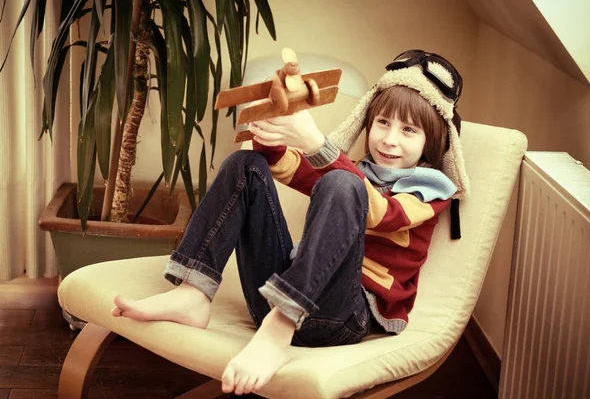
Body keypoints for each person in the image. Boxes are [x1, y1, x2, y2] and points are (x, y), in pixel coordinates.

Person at [111, 49, 470, 396]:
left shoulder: (431, 191)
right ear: (368, 121)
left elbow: (382, 213)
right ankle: (193, 293)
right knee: (246, 165)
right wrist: (270, 137)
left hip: (343, 316)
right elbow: (293, 169)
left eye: (409, 131)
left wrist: (316, 142)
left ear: (432, 141)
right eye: (383, 123)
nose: (390, 139)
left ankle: (281, 326)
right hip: (276, 297)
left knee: (342, 183)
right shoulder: (356, 171)